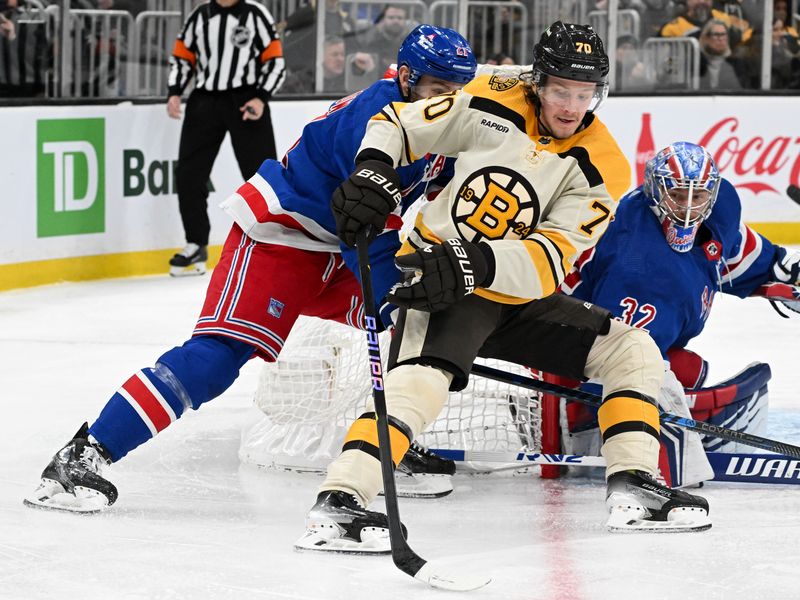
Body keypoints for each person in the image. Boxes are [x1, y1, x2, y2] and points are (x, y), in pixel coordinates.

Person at [23, 25, 477, 514]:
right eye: (438, 89)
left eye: (456, 92)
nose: (447, 101)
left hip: (339, 247)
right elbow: (363, 225)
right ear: (407, 77)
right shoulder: (376, 119)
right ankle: (82, 458)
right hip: (281, 237)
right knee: (217, 358)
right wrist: (388, 289)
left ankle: (386, 444)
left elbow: (442, 196)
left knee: (416, 319)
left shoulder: (445, 124)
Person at [297, 22, 711, 554]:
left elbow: (548, 261)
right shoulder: (490, 92)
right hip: (438, 280)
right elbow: (398, 124)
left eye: (585, 94)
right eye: (560, 89)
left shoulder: (602, 162)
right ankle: (339, 500)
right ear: (537, 82)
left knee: (630, 349)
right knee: (423, 380)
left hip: (510, 290)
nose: (571, 106)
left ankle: (635, 488)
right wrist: (374, 172)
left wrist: (473, 262)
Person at [561, 141, 800, 485]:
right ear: (655, 191)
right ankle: (601, 430)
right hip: (574, 336)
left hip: (633, 336)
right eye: (676, 195)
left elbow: (736, 254)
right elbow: (624, 357)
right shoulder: (635, 258)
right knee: (674, 371)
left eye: (698, 196)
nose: (688, 208)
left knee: (685, 367)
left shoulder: (718, 213)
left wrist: (783, 268)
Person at [166, 0, 285, 276]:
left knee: (263, 178)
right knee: (189, 174)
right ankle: (195, 242)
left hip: (246, 100)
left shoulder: (255, 14)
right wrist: (175, 91)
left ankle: (277, 244)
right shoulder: (200, 16)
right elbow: (183, 57)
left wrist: (261, 97)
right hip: (205, 100)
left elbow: (275, 63)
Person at [698, 19, 744, 89]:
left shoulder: (736, 64)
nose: (721, 39)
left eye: (723, 34)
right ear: (705, 38)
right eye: (716, 34)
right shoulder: (696, 63)